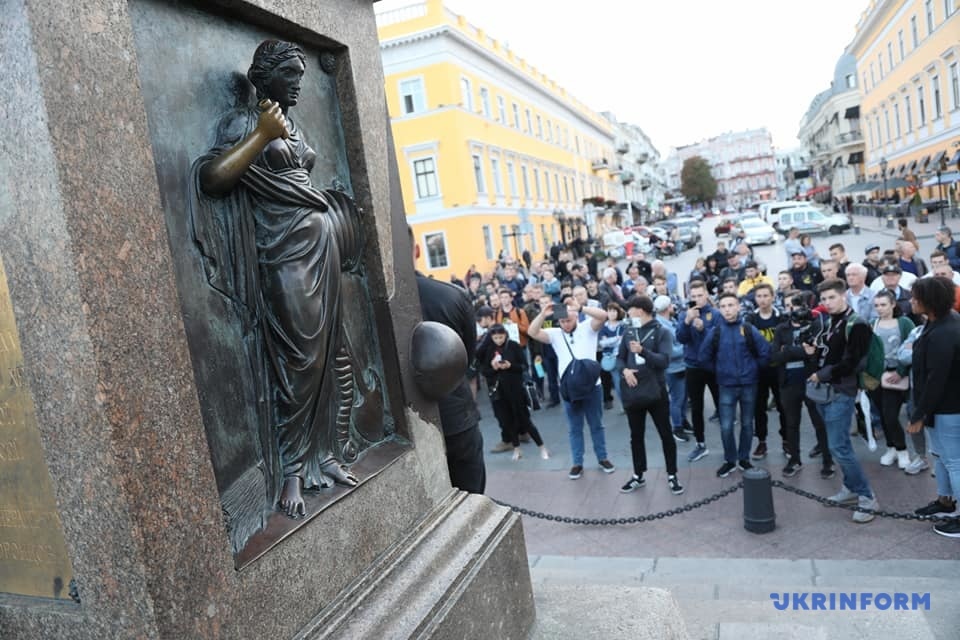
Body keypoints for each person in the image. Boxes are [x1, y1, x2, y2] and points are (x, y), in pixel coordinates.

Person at [194, 40, 365, 516]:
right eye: (289, 74)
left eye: (300, 75)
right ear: (262, 77)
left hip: (321, 246)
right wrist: (261, 134)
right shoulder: (243, 123)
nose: (297, 83)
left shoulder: (295, 125)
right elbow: (213, 178)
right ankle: (291, 470)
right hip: (282, 252)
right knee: (300, 360)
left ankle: (325, 455)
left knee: (330, 351)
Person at [413, 237, 486, 494]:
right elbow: (466, 354)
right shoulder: (450, 295)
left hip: (408, 425)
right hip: (455, 415)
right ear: (417, 250)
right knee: (471, 495)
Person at [805, 278, 878, 523]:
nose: (827, 303)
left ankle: (867, 497)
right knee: (840, 444)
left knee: (839, 447)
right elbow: (829, 355)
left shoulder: (857, 324)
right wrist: (813, 353)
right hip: (824, 391)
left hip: (841, 391)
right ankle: (850, 488)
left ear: (843, 296)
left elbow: (854, 362)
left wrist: (822, 374)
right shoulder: (830, 321)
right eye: (824, 299)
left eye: (832, 297)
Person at [528, 300, 615, 480]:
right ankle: (577, 463)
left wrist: (582, 308)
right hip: (570, 388)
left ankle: (603, 458)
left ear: (576, 317)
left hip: (592, 386)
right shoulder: (555, 334)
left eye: (569, 320)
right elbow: (532, 332)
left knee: (596, 425)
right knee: (575, 428)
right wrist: (542, 315)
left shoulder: (587, 328)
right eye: (562, 321)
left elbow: (603, 316)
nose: (566, 324)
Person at [907, 277, 960, 537]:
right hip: (939, 407)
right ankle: (945, 501)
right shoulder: (937, 322)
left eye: (916, 297)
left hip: (949, 408)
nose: (911, 301)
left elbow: (935, 379)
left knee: (954, 461)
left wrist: (919, 414)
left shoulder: (944, 332)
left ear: (930, 301)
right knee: (940, 456)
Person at [617, 295, 684, 496]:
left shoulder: (661, 331)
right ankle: (638, 475)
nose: (628, 313)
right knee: (636, 435)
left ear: (640, 310)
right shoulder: (629, 331)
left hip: (656, 391)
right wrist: (625, 371)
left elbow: (664, 360)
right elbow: (620, 358)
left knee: (665, 434)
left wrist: (643, 351)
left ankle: (672, 474)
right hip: (634, 389)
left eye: (630, 309)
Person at [700, 292, 771, 477]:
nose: (727, 310)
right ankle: (730, 460)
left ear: (738, 307)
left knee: (747, 423)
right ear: (719, 309)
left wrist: (753, 369)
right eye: (723, 306)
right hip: (726, 385)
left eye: (731, 305)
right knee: (726, 426)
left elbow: (765, 352)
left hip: (749, 384)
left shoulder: (748, 329)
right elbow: (703, 357)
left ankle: (744, 458)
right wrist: (720, 371)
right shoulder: (715, 331)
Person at [770, 292, 834, 478]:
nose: (793, 310)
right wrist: (800, 351)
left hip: (812, 381)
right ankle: (794, 459)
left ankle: (828, 460)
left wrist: (788, 351)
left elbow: (819, 353)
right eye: (788, 305)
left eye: (797, 306)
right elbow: (774, 356)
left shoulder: (817, 326)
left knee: (819, 423)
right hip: (789, 383)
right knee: (791, 423)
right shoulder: (781, 329)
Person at [477, 324, 549, 462]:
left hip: (515, 389)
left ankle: (542, 447)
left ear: (505, 335)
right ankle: (516, 448)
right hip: (499, 391)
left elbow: (523, 366)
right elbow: (485, 371)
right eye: (495, 338)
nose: (498, 340)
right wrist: (493, 368)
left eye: (501, 337)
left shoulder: (513, 346)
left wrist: (510, 366)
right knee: (507, 421)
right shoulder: (489, 350)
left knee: (525, 420)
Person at [868, 290, 915, 470]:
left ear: (893, 304)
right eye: (876, 305)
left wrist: (901, 371)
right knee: (882, 414)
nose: (879, 308)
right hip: (877, 376)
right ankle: (891, 448)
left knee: (890, 415)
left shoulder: (904, 322)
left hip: (896, 375)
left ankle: (902, 450)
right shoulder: (873, 323)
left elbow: (912, 347)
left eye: (883, 305)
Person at [677, 281, 722, 463]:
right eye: (693, 296)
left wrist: (704, 329)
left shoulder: (716, 314)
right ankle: (700, 444)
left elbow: (718, 339)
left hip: (712, 366)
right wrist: (687, 322)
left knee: (722, 405)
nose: (696, 299)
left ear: (706, 295)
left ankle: (728, 445)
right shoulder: (684, 314)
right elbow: (680, 338)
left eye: (700, 295)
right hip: (693, 366)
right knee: (696, 407)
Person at [744, 284, 785, 460]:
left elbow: (785, 342)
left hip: (778, 369)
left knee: (783, 406)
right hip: (759, 371)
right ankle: (761, 441)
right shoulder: (750, 319)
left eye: (766, 295)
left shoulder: (781, 317)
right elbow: (748, 344)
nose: (762, 299)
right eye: (759, 296)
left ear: (773, 297)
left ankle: (786, 440)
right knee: (758, 408)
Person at [655, 295, 690, 443]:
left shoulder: (670, 321)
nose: (673, 307)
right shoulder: (662, 327)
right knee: (677, 398)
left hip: (681, 365)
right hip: (673, 368)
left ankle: (682, 420)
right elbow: (670, 351)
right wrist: (688, 348)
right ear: (667, 308)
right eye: (671, 305)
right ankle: (677, 427)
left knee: (683, 397)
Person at [598, 303, 626, 410]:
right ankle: (624, 404)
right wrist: (617, 339)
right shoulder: (603, 327)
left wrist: (611, 340)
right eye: (610, 311)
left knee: (627, 380)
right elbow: (603, 343)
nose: (612, 313)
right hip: (611, 358)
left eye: (614, 311)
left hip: (623, 356)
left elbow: (623, 341)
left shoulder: (622, 325)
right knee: (618, 382)